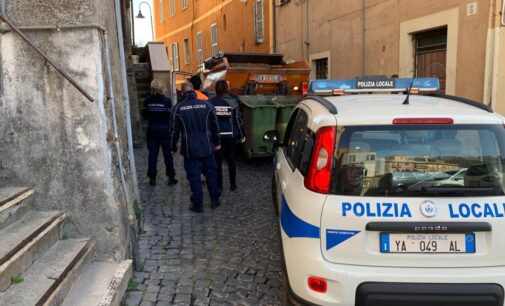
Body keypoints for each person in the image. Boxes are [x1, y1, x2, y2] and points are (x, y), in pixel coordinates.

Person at [171, 82, 222, 212]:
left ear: (182, 93)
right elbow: (215, 126)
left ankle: (198, 203)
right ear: (194, 91)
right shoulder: (207, 105)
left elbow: (174, 130)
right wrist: (217, 143)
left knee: (194, 177)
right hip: (207, 146)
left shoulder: (178, 108)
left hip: (190, 148)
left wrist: (173, 146)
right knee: (211, 174)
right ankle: (215, 199)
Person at [209, 80, 246, 191]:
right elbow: (238, 120)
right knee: (231, 160)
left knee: (218, 162)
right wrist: (242, 134)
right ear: (226, 88)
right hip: (231, 135)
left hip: (217, 136)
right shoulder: (234, 101)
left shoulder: (211, 102)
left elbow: (210, 120)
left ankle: (219, 185)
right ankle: (233, 185)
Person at [142, 79, 178, 186]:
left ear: (152, 88)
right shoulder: (167, 100)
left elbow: (144, 116)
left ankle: (152, 178)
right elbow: (170, 116)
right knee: (167, 154)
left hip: (152, 129)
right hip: (164, 129)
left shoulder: (147, 100)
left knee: (152, 154)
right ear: (162, 88)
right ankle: (171, 177)